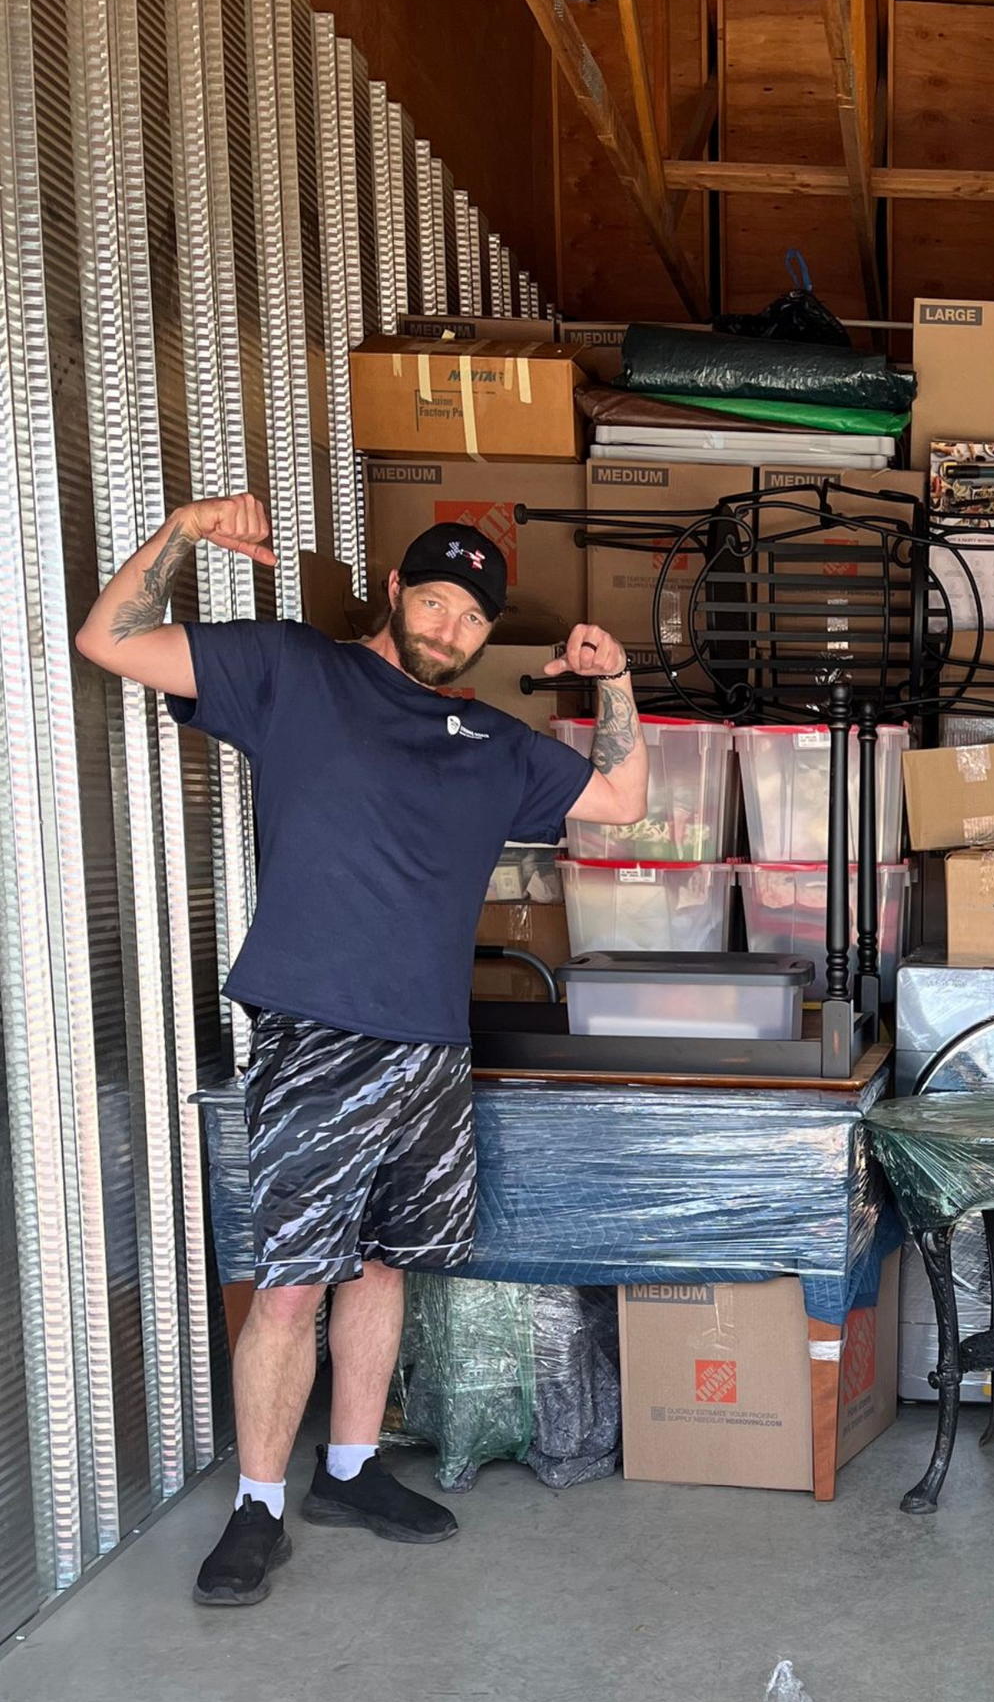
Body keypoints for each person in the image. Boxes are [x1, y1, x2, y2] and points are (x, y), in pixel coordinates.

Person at [76, 493, 650, 1608]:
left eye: (471, 616)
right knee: (292, 1285)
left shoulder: (494, 743)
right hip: (315, 1031)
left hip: (430, 1050)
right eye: (431, 598)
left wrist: (612, 678)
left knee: (386, 1264)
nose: (447, 626)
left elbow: (622, 799)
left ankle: (349, 1470)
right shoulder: (297, 675)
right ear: (394, 593)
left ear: (487, 635)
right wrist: (185, 535)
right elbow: (112, 640)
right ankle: (257, 1507)